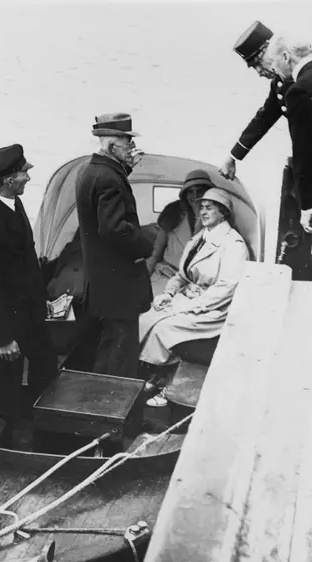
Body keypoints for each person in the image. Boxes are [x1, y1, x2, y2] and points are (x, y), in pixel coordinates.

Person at [0, 143, 57, 420]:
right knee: (4, 387)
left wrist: (42, 299)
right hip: (10, 323)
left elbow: (26, 261)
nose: (28, 177)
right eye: (23, 173)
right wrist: (4, 339)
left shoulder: (13, 204)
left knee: (46, 369)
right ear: (9, 181)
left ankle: (41, 429)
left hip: (31, 313)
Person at [139, 188, 249, 407]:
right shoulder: (200, 237)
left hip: (214, 308)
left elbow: (227, 287)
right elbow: (182, 275)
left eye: (209, 208)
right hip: (190, 296)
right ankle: (158, 375)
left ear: (223, 213)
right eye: (202, 208)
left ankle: (167, 383)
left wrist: (196, 305)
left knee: (163, 328)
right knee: (145, 317)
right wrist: (168, 293)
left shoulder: (233, 244)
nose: (203, 212)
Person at [75, 113, 153, 378]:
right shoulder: (109, 178)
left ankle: (101, 393)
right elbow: (113, 229)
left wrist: (126, 169)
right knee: (121, 349)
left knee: (111, 345)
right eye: (127, 142)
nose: (132, 147)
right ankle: (114, 397)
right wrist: (145, 245)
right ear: (111, 146)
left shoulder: (88, 171)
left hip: (102, 280)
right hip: (119, 284)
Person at [219, 21, 293, 181]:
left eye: (258, 63)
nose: (259, 72)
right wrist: (233, 156)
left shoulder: (304, 74)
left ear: (272, 48)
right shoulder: (279, 84)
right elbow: (264, 119)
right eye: (253, 66)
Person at [266, 34, 312, 232]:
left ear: (286, 57)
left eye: (274, 62)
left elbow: (304, 151)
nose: (273, 69)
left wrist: (307, 205)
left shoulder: (298, 91)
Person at [146, 169, 213, 297]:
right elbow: (156, 253)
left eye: (200, 191)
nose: (195, 196)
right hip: (166, 274)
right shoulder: (172, 214)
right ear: (185, 195)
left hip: (197, 283)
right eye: (190, 192)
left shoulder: (216, 220)